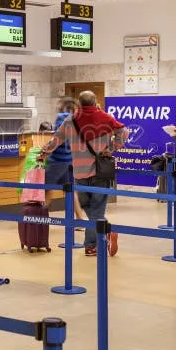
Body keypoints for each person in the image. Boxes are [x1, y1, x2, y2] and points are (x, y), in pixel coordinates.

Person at [38, 91, 127, 257]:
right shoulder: (107, 118)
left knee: (88, 207)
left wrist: (44, 153)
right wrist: (112, 148)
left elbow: (56, 139)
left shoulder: (70, 120)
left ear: (79, 103)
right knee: (96, 210)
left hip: (79, 173)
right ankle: (106, 231)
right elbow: (124, 131)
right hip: (101, 172)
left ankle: (91, 244)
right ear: (95, 102)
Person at [43, 97, 87, 227]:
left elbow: (58, 138)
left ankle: (40, 220)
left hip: (57, 161)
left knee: (46, 189)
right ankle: (80, 220)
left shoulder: (62, 117)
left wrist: (45, 151)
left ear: (63, 106)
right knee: (71, 191)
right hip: (69, 161)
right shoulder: (77, 120)